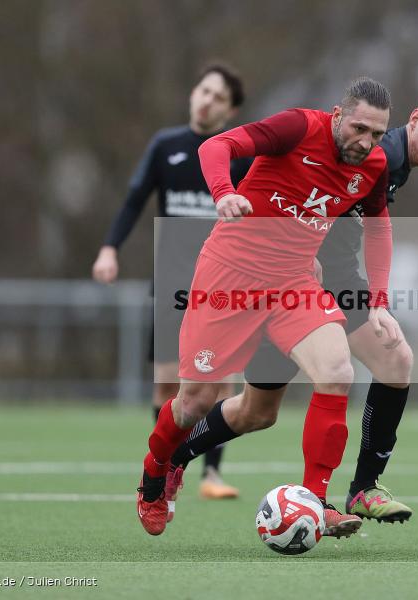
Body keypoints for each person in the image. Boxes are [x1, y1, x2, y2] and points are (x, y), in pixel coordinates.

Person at [159, 84, 418, 524]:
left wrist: (375, 297)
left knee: (266, 410)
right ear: (414, 119)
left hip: (323, 285)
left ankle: (354, 490)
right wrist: (289, 243)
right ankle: (176, 457)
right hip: (302, 283)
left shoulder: (391, 163)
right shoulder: (377, 150)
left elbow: (355, 217)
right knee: (262, 408)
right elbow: (291, 181)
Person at [136, 77, 400, 539]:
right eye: (359, 129)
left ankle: (316, 502)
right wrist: (224, 192)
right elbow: (216, 146)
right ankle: (156, 470)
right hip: (228, 277)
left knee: (337, 371)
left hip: (293, 284)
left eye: (377, 134)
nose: (367, 142)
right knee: (193, 403)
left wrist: (378, 300)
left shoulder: (373, 165)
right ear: (338, 116)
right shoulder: (298, 127)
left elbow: (378, 227)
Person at [92, 64, 250, 501]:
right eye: (204, 90)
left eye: (219, 97)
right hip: (171, 281)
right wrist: (109, 249)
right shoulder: (166, 145)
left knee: (220, 384)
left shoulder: (240, 155)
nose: (207, 101)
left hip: (222, 283)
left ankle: (211, 474)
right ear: (193, 93)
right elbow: (133, 200)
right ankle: (164, 466)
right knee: (166, 385)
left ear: (231, 110)